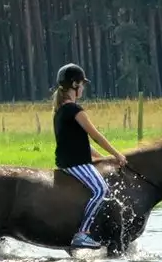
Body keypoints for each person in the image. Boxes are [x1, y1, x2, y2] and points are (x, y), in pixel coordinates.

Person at [52, 63, 128, 249]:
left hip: (69, 161)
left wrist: (102, 158)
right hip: (75, 163)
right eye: (82, 84)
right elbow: (95, 135)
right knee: (101, 190)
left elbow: (81, 143)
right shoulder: (74, 110)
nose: (84, 88)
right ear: (75, 85)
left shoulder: (60, 111)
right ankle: (82, 233)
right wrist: (117, 154)